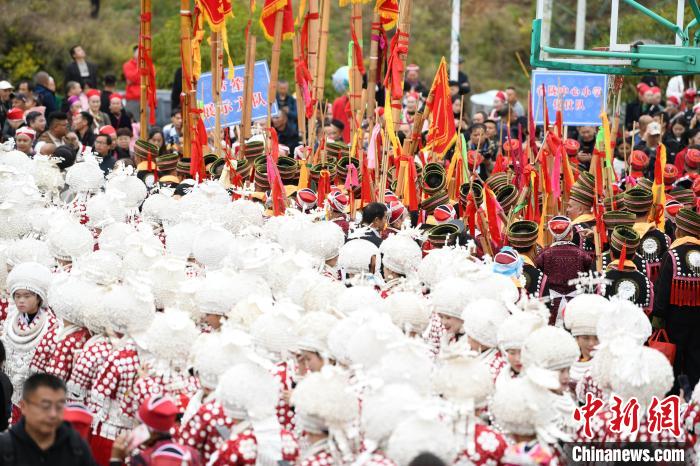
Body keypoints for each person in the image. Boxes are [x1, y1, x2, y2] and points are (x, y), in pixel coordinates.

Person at [0, 374, 97, 465]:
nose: (53, 414)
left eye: (59, 407)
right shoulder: (5, 448)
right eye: (45, 406)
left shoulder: (77, 449)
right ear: (24, 406)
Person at [652, 208, 700, 389]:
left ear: (678, 230)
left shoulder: (671, 255)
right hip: (698, 318)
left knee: (674, 359)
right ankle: (695, 400)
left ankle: (673, 399)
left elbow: (662, 290)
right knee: (696, 359)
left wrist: (658, 316)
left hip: (675, 318)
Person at [109, 395, 201, 466]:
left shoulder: (143, 460)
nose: (136, 429)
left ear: (152, 432)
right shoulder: (193, 455)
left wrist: (116, 459)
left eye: (139, 424)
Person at [535, 216, 593, 324]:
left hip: (551, 306)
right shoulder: (583, 255)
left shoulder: (543, 255)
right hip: (576, 306)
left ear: (552, 234)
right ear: (570, 233)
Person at [123, 46, 140, 121]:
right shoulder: (127, 65)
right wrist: (141, 69)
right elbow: (131, 78)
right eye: (138, 52)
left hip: (145, 99)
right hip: (132, 99)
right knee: (131, 123)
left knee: (146, 126)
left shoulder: (149, 64)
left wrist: (133, 80)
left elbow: (150, 79)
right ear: (134, 53)